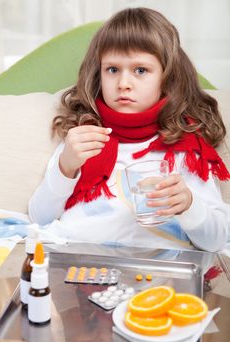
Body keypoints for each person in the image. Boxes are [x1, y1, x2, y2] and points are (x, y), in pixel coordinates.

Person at [29, 7, 230, 252]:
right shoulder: (83, 137)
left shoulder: (185, 149)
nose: (124, 84)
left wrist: (189, 204)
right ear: (99, 74)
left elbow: (217, 239)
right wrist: (66, 166)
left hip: (156, 276)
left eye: (140, 70)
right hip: (79, 267)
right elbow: (40, 218)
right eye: (112, 70)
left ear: (166, 78)